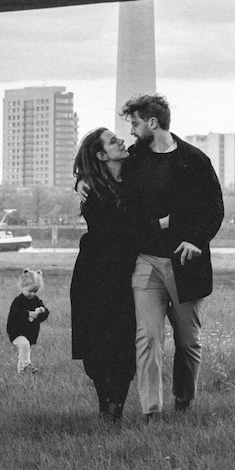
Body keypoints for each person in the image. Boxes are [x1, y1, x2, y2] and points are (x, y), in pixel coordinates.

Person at [120, 93, 224, 422]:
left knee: (188, 341)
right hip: (146, 261)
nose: (132, 131)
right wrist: (81, 181)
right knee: (147, 337)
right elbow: (101, 174)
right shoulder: (133, 159)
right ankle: (151, 411)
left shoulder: (194, 161)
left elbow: (214, 209)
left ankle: (184, 400)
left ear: (152, 123)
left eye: (135, 123)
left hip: (185, 264)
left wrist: (196, 238)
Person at [70, 127, 137, 423]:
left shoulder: (136, 171)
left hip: (126, 273)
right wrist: (81, 180)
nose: (121, 140)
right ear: (101, 155)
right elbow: (114, 231)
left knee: (125, 340)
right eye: (113, 141)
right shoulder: (94, 192)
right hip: (94, 272)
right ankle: (103, 401)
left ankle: (116, 406)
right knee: (95, 341)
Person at [5, 268, 49, 373]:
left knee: (25, 350)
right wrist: (27, 314)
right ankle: (27, 366)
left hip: (30, 333)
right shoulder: (18, 301)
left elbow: (44, 316)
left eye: (35, 291)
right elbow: (15, 314)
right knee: (24, 345)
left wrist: (43, 311)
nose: (33, 294)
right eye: (30, 291)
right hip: (16, 331)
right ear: (22, 286)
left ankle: (21, 372)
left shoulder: (36, 301)